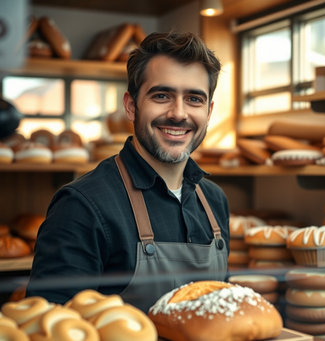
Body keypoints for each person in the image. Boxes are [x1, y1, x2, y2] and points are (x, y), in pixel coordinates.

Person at [26, 31, 230, 311]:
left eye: (194, 99)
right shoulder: (81, 205)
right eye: (162, 95)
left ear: (208, 112)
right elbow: (50, 327)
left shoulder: (215, 201)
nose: (179, 113)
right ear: (131, 106)